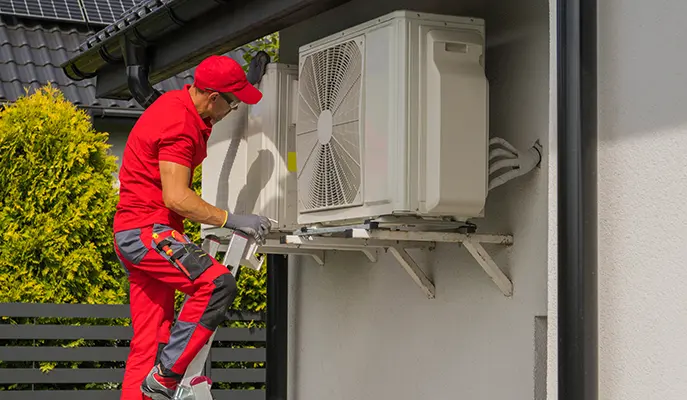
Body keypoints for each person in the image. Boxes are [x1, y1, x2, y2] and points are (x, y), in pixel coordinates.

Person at [112, 55, 272, 400]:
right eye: (233, 102)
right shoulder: (180, 125)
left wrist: (248, 84)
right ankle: (165, 380)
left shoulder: (179, 105)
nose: (233, 109)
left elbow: (219, 100)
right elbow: (177, 198)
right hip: (148, 233)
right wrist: (232, 219)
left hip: (132, 232)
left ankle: (152, 380)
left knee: (150, 341)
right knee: (217, 284)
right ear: (213, 98)